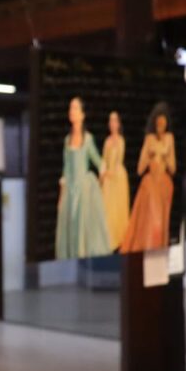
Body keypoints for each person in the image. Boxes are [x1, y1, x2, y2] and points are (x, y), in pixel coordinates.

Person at [56, 97, 111, 259]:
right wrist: (62, 195)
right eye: (70, 108)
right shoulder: (67, 140)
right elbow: (66, 169)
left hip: (84, 190)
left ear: (82, 114)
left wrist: (100, 183)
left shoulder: (87, 139)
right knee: (70, 225)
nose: (71, 111)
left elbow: (98, 161)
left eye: (75, 108)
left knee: (82, 227)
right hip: (70, 190)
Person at [121, 102, 177, 253]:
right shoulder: (149, 139)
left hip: (163, 182)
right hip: (151, 180)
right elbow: (140, 169)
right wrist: (149, 157)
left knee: (160, 220)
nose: (160, 126)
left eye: (163, 123)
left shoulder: (169, 138)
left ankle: (158, 248)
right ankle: (147, 248)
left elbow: (173, 168)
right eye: (158, 123)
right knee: (149, 200)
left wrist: (164, 156)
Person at [100, 111, 129, 251]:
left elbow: (119, 160)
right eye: (110, 121)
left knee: (118, 209)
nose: (112, 124)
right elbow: (104, 160)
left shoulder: (121, 140)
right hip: (108, 178)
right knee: (107, 210)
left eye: (115, 121)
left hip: (118, 178)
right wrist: (102, 174)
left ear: (118, 124)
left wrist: (111, 173)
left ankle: (120, 240)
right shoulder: (107, 141)